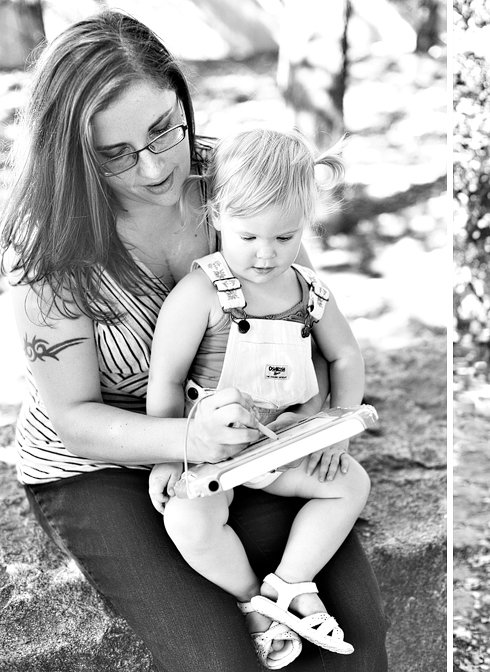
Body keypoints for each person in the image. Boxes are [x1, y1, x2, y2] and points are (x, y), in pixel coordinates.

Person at [0, 10, 388, 672]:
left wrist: (310, 419)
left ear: (182, 98)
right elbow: (75, 421)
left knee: (351, 639)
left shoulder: (227, 175)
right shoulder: (50, 244)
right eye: (115, 153)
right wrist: (189, 442)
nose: (153, 170)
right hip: (97, 466)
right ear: (72, 152)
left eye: (163, 131)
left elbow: (302, 318)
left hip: (243, 439)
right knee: (217, 657)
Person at [146, 128, 369, 668]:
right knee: (188, 521)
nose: (267, 255)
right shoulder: (202, 293)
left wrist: (334, 429)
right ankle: (252, 597)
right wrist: (165, 457)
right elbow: (167, 381)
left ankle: (290, 584)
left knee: (350, 484)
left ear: (306, 228)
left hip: (281, 446)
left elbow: (346, 358)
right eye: (249, 237)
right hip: (213, 454)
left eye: (286, 237)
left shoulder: (310, 293)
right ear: (218, 216)